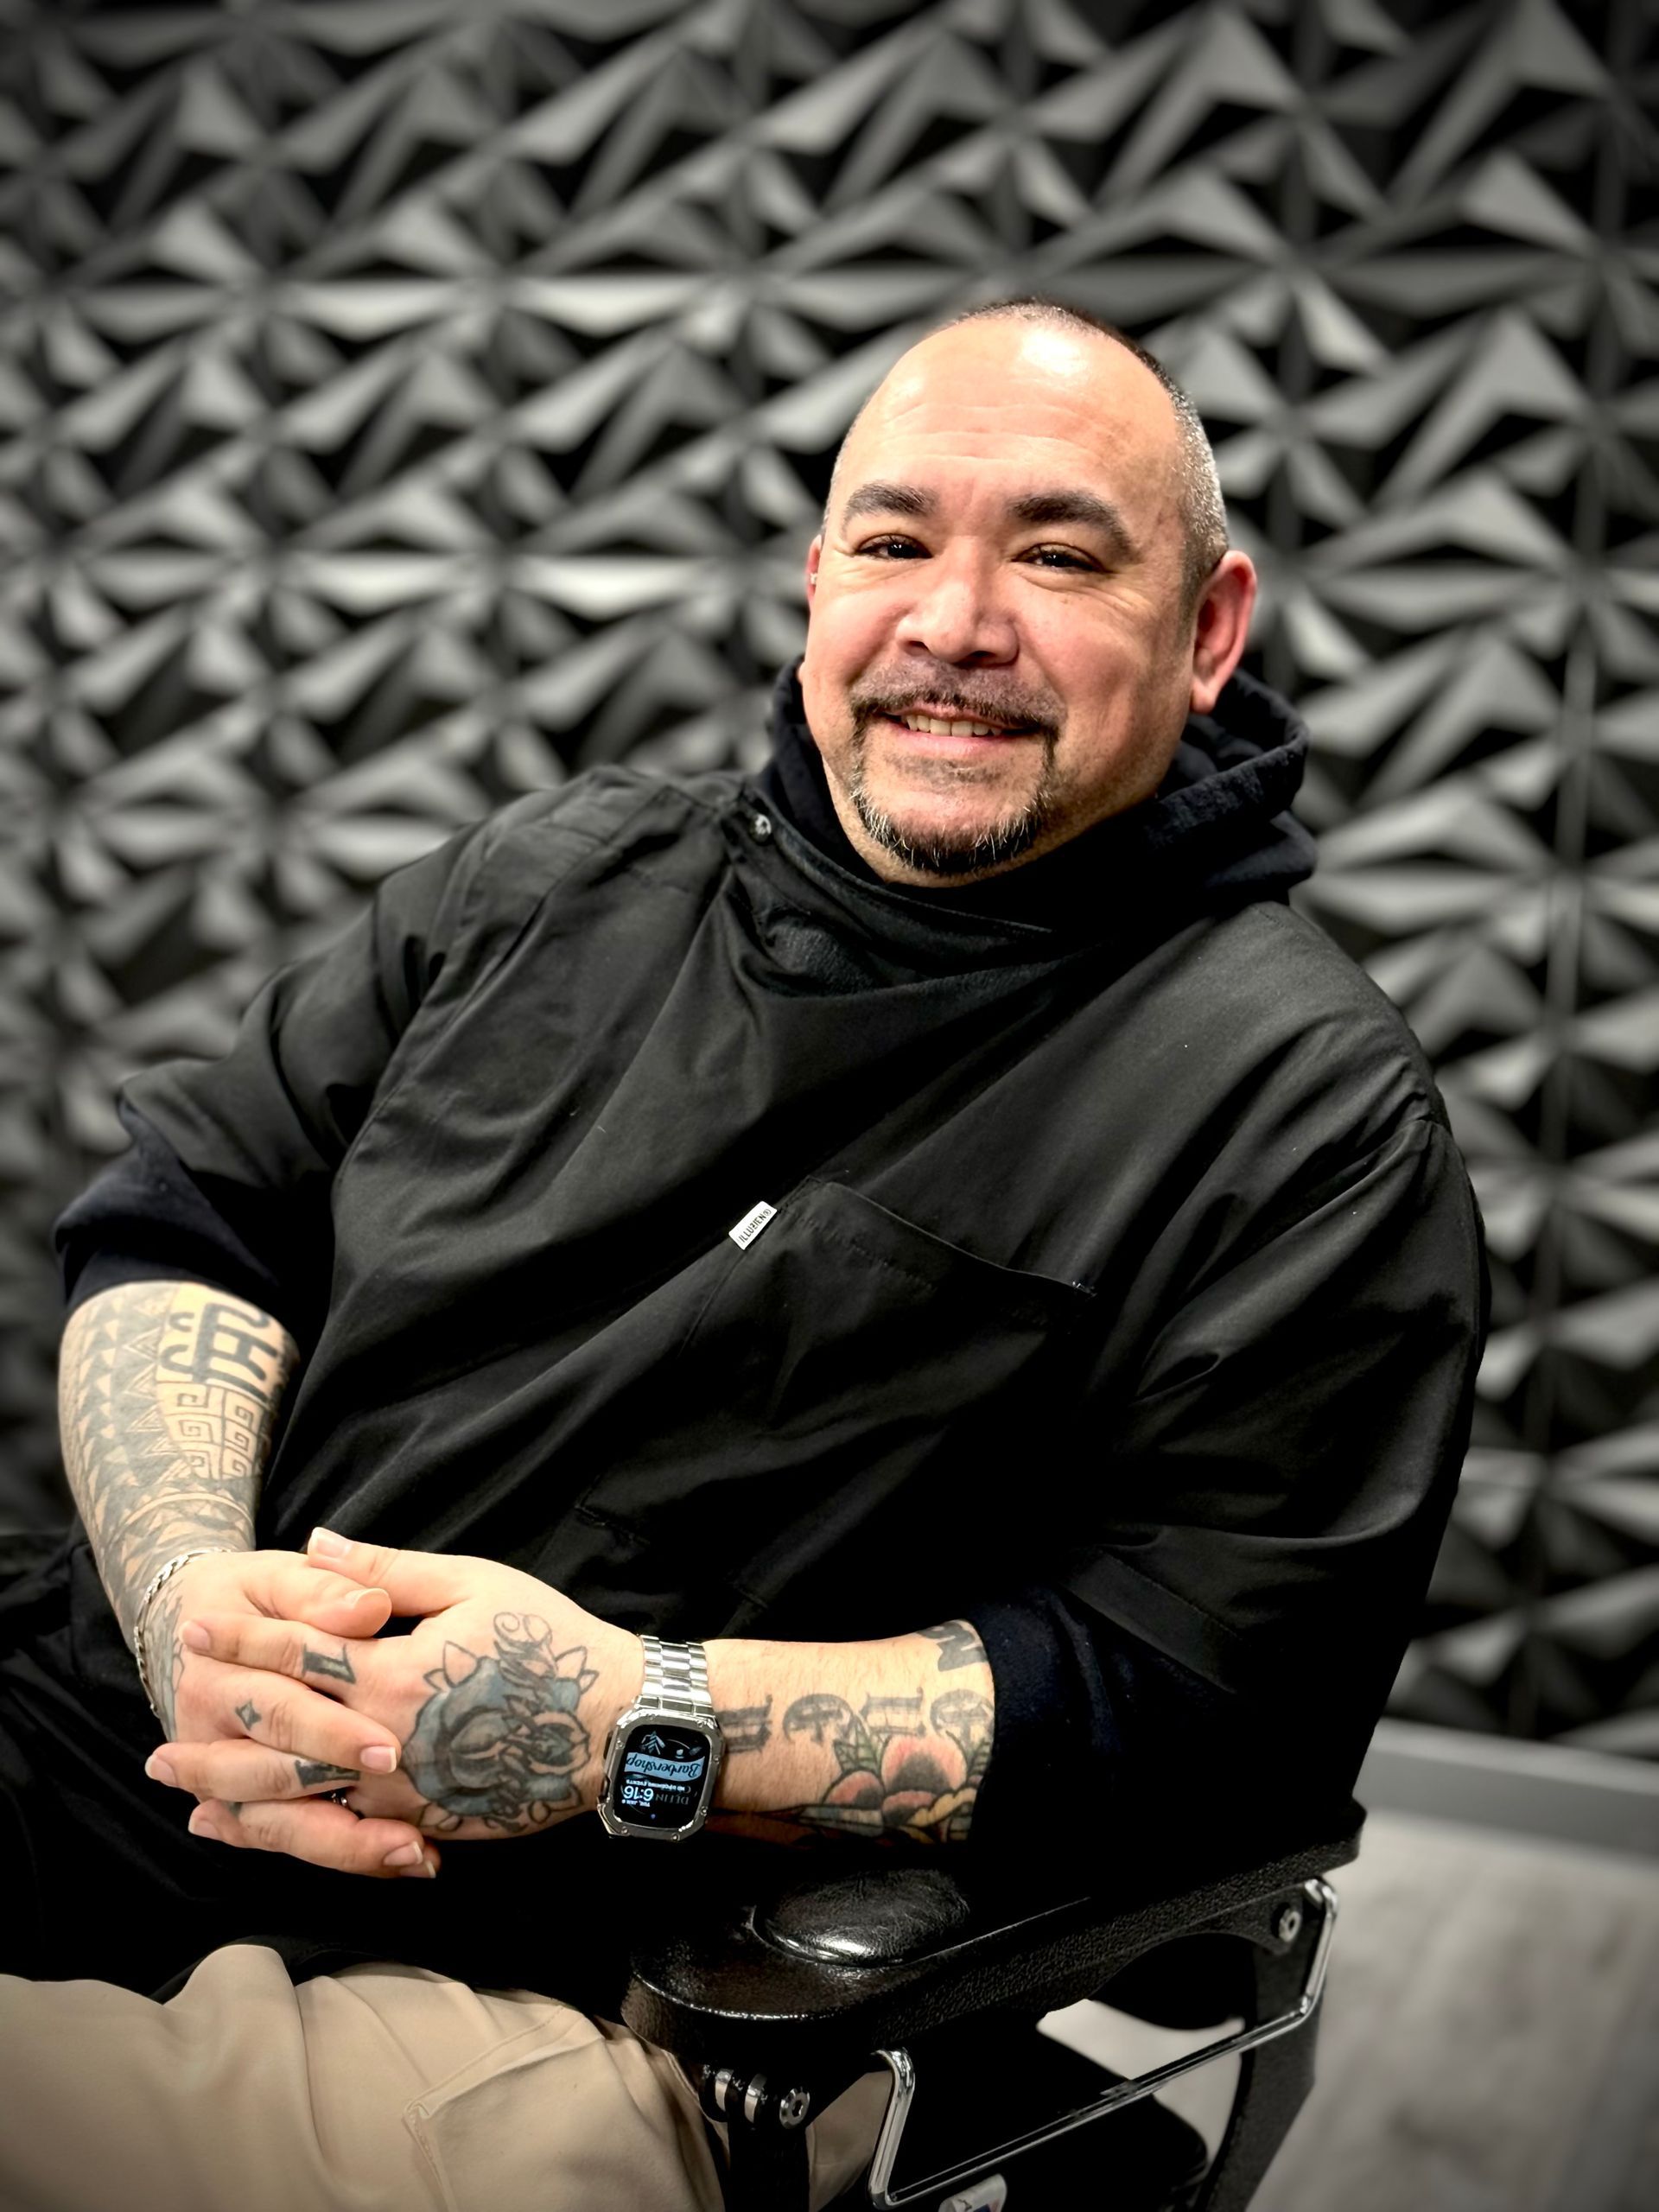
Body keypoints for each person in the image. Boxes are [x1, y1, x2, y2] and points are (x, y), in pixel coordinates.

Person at [0, 296, 1487, 2209]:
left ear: (1207, 629)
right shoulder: (551, 876)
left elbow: (1200, 1705)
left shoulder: (1299, 1115)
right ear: (814, 586)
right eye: (893, 541)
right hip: (122, 1750)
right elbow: (191, 1216)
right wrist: (190, 1599)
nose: (955, 619)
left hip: (597, 1983)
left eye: (1055, 551)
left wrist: (627, 1721)